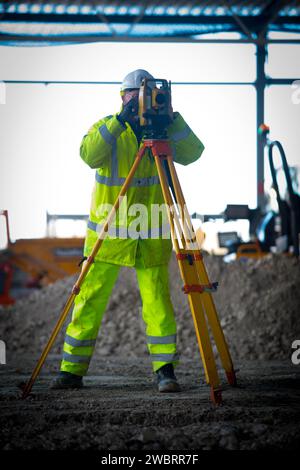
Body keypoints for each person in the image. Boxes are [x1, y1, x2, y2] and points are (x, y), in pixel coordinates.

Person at [51, 69, 205, 393]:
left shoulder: (164, 131)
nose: (144, 101)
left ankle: (165, 370)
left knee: (158, 301)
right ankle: (71, 371)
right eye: (137, 94)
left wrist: (172, 118)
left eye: (149, 94)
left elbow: (194, 153)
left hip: (149, 238)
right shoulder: (110, 127)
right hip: (107, 238)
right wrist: (120, 120)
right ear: (123, 97)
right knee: (89, 300)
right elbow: (88, 154)